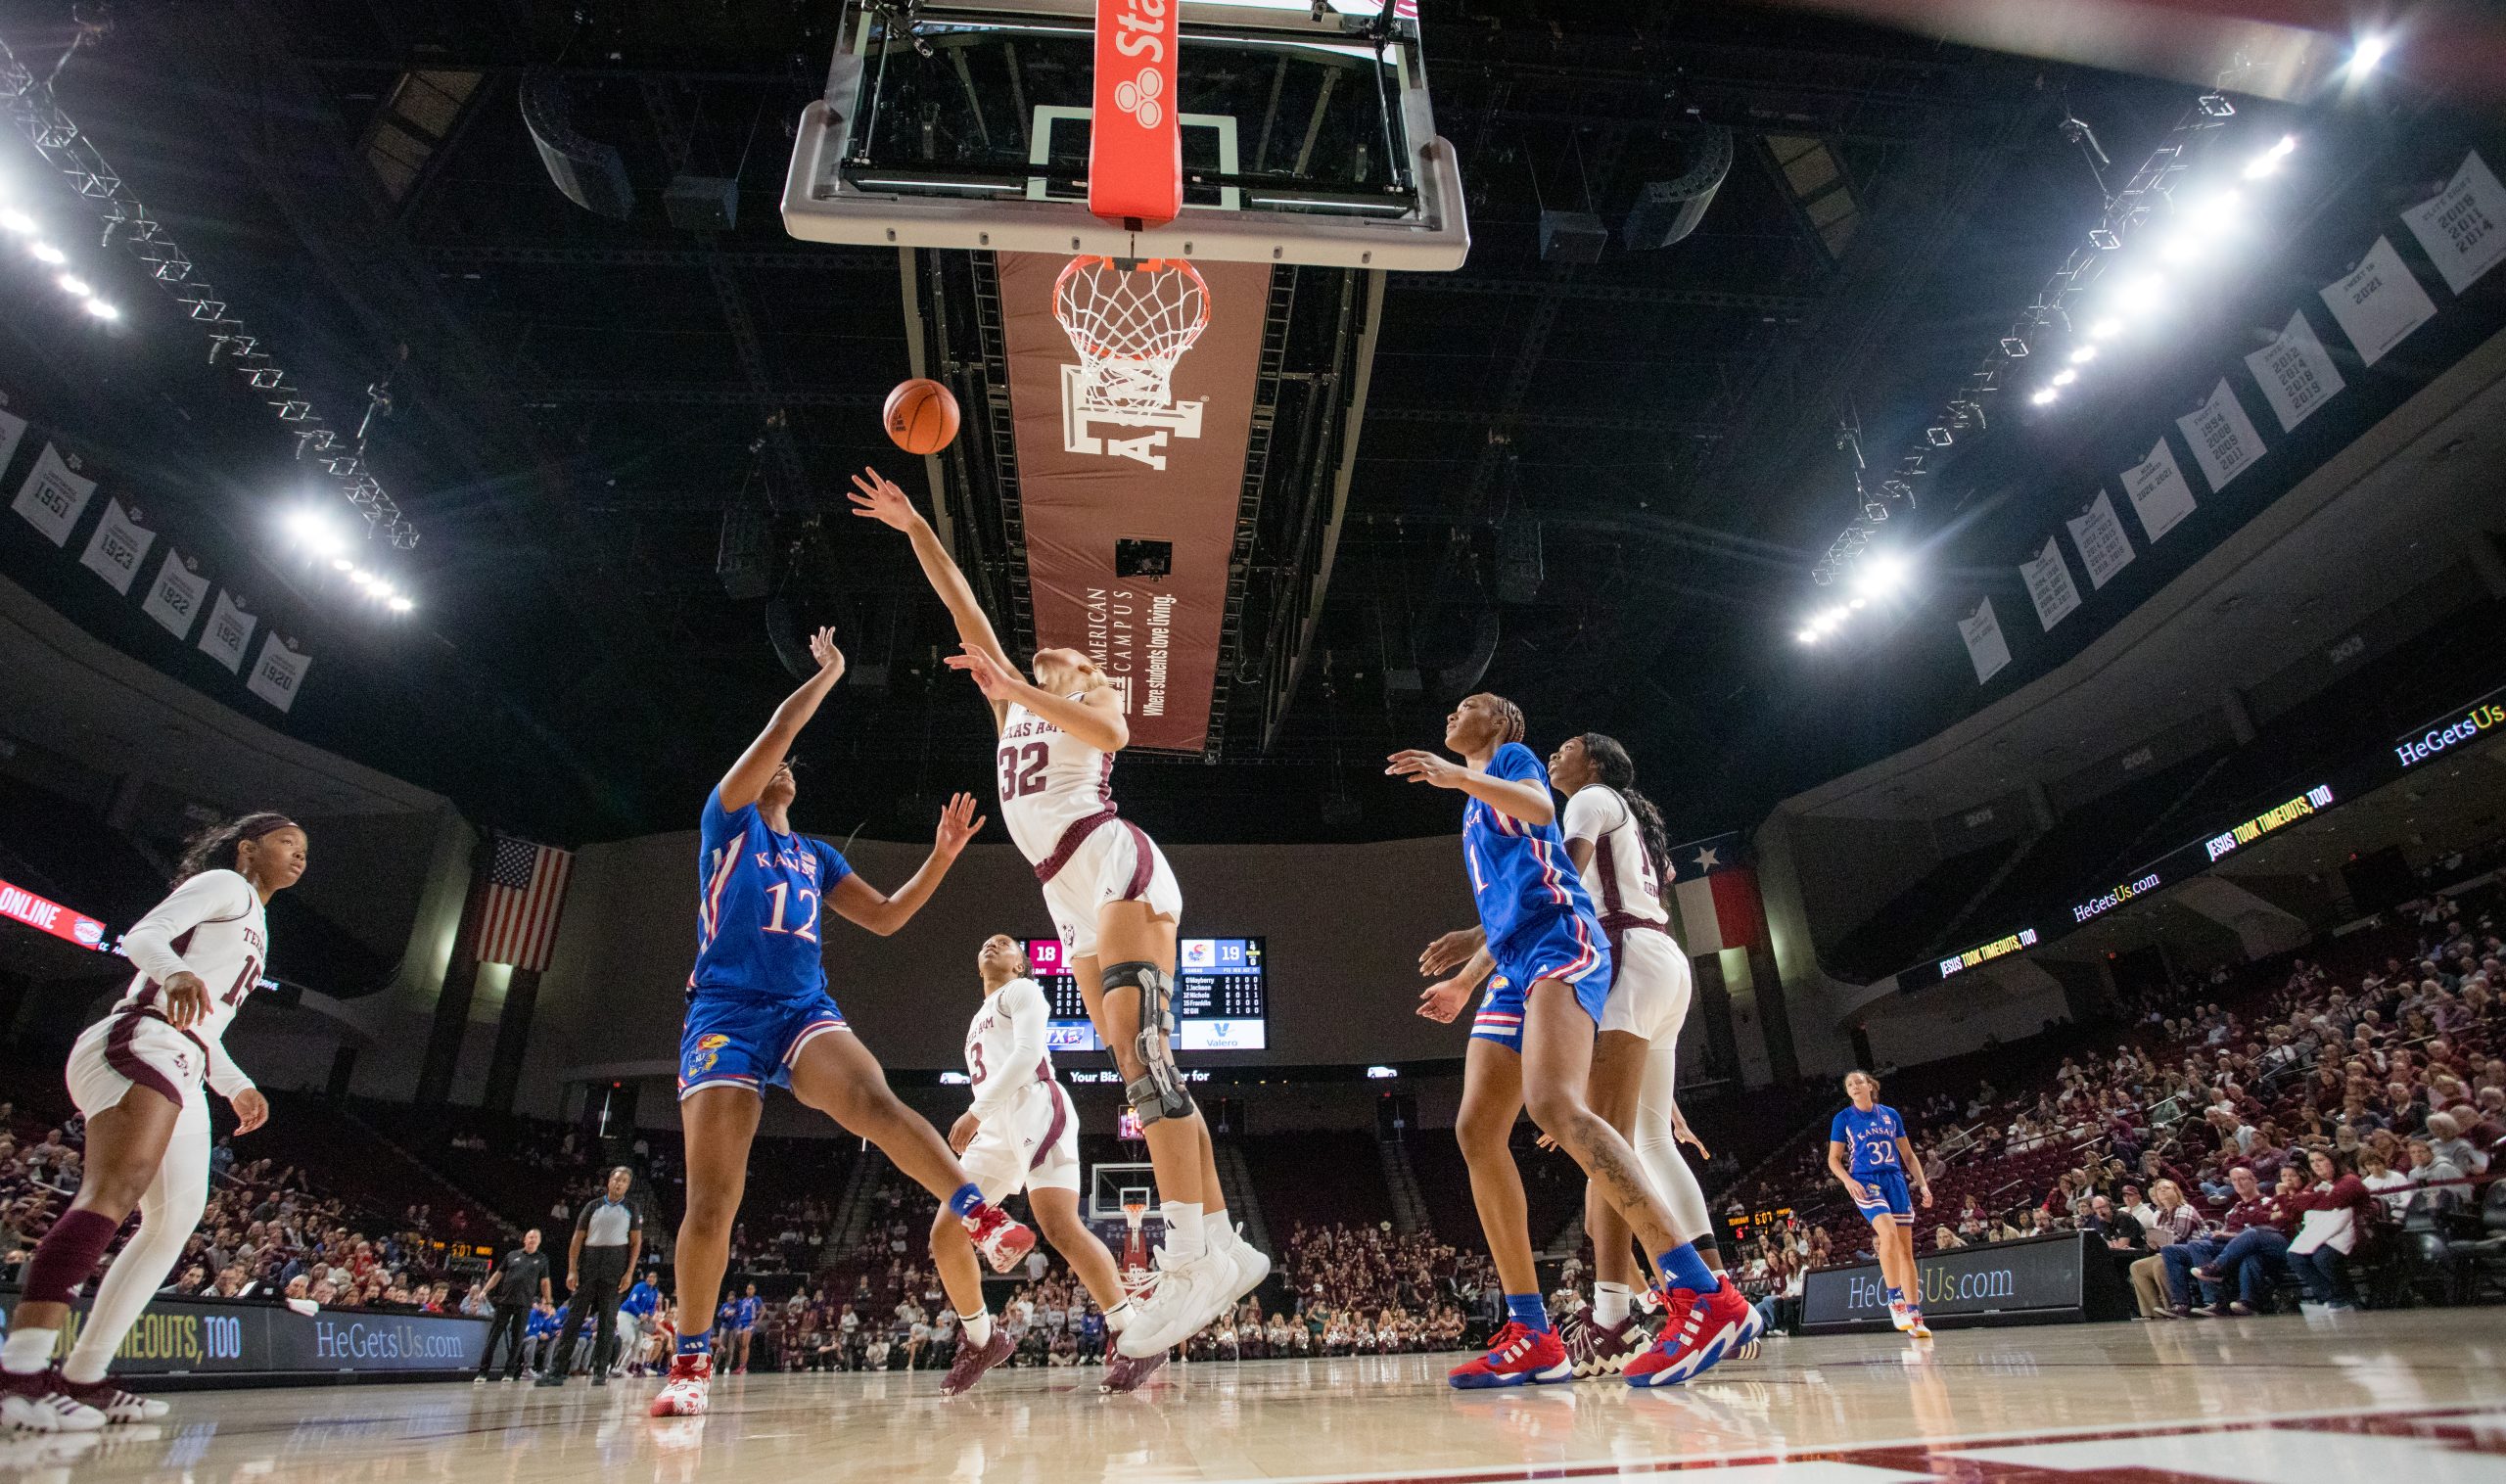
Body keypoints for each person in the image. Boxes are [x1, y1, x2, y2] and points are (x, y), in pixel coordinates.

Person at [853, 469, 1267, 1366]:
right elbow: (961, 602)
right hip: (1061, 888)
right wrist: (917, 523)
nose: (1052, 654)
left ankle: (1192, 1256)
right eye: (1036, 660)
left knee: (1145, 1057)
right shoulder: (1011, 703)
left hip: (1110, 856)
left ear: (1087, 672)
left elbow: (1116, 742)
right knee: (1133, 1061)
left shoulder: (1091, 701)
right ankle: (1226, 1244)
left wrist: (1019, 687)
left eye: (1067, 657)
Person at [650, 626, 1035, 1418]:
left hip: (801, 1011)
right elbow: (779, 731)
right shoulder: (727, 823)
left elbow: (888, 918)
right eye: (771, 766)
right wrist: (829, 673)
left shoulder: (815, 856)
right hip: (724, 1013)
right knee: (714, 1200)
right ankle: (689, 1365)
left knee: (877, 1102)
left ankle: (983, 1216)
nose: (782, 768)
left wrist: (942, 856)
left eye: (787, 769)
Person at [1400, 694, 1756, 1388]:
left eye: (1468, 704)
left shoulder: (1510, 763)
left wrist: (1458, 773)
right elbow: (1509, 908)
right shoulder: (1474, 805)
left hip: (1563, 942)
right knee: (1476, 1130)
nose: (1450, 712)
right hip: (1515, 959)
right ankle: (1532, 1331)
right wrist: (1469, 979)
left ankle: (1703, 1294)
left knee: (1556, 1107)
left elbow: (1538, 809)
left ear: (1502, 722)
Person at [0, 814, 302, 1432]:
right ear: (249, 849)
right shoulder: (226, 884)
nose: (299, 856)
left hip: (185, 1056)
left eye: (305, 851)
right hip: (140, 1039)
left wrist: (238, 1086)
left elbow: (207, 1027)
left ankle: (84, 1378)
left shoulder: (258, 920)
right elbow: (144, 937)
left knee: (175, 1221)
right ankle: (17, 1374)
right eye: (287, 844)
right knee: (113, 1192)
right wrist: (175, 970)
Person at [1520, 733, 1724, 1377]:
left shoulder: (1590, 800)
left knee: (1607, 1146)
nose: (1554, 755)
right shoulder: (1634, 817)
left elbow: (1563, 885)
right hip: (1663, 960)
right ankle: (1714, 1289)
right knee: (1650, 1142)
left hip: (1627, 959)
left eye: (1567, 747)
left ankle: (1616, 1316)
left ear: (1597, 763)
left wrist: (1490, 939)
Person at [935, 936, 1151, 1396]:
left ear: (1021, 965)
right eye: (988, 942)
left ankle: (1134, 1336)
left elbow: (1028, 1054)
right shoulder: (976, 1020)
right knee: (945, 1232)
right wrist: (982, 1117)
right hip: (995, 1125)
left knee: (1059, 1225)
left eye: (1006, 944)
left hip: (1034, 1102)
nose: (992, 943)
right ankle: (981, 1339)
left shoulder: (1023, 992)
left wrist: (974, 1113)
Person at [1827, 1071, 1934, 1338]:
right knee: (1887, 1234)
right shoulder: (1843, 1119)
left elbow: (1908, 1154)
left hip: (1894, 1180)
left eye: (1858, 1081)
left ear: (1870, 1086)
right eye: (1849, 1084)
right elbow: (1833, 1159)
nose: (1854, 1086)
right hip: (1865, 1181)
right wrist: (1848, 1181)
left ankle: (1915, 1317)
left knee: (1906, 1253)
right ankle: (1894, 1298)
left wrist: (1922, 1185)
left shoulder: (1890, 1114)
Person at [537, 1168, 643, 1388]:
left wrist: (629, 1272)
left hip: (615, 1266)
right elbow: (577, 1239)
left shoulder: (631, 1208)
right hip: (589, 1262)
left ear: (627, 1185)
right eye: (616, 1179)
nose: (619, 1184)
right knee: (574, 1317)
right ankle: (557, 1370)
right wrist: (572, 1269)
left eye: (624, 1181)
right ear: (609, 1181)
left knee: (607, 1321)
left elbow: (635, 1244)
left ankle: (600, 1372)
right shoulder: (592, 1206)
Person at [2285, 1147, 2375, 1309]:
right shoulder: (2316, 1183)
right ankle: (2334, 1297)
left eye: (2320, 1160)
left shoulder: (2350, 1180)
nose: (2316, 1165)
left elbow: (2333, 1201)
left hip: (2355, 1231)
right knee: (2295, 1257)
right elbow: (2295, 1207)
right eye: (2312, 1162)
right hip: (2324, 1230)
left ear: (2332, 1161)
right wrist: (2318, 1197)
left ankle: (2349, 1298)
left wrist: (2310, 1200)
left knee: (2323, 1258)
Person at [475, 1228, 556, 1382]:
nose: (532, 1240)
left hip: (524, 1304)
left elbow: (545, 1282)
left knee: (517, 1340)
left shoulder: (542, 1259)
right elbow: (498, 1275)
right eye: (530, 1237)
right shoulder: (512, 1255)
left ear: (539, 1241)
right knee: (493, 1337)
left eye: (535, 1238)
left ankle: (509, 1373)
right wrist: (484, 1290)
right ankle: (482, 1372)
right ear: (524, 1240)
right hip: (505, 1302)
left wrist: (549, 1302)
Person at [2125, 1181, 2202, 1319]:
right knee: (2137, 1267)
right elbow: (2160, 1237)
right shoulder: (2161, 1214)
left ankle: (2175, 1306)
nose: (2163, 1191)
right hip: (2166, 1251)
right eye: (2159, 1189)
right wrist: (2152, 1242)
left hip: (2189, 1252)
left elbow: (2178, 1237)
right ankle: (2153, 1312)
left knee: (2159, 1266)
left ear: (2176, 1191)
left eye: (2167, 1188)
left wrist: (2159, 1238)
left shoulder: (2185, 1209)